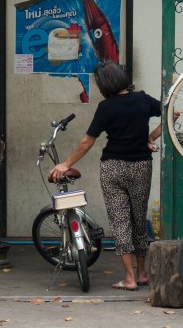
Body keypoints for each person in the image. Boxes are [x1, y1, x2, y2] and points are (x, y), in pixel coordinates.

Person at [49, 61, 162, 291]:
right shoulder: (142, 99)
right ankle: (142, 274)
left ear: (104, 85)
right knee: (138, 221)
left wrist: (66, 163)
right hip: (141, 166)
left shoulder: (106, 107)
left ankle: (129, 278)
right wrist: (151, 137)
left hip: (112, 169)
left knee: (120, 223)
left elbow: (87, 141)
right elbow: (174, 113)